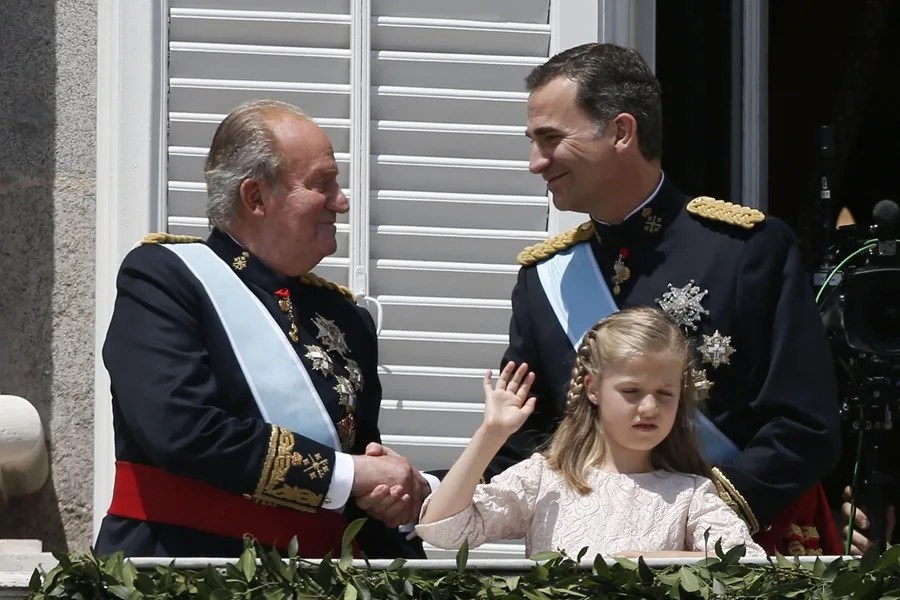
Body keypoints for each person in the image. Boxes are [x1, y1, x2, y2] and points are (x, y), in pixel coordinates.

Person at [488, 43, 843, 555]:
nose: (535, 163)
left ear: (621, 132)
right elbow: (528, 440)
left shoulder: (746, 251)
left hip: (739, 553)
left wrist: (692, 516)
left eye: (550, 140)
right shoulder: (546, 279)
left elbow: (804, 427)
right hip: (598, 565)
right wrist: (428, 489)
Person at [95, 100, 435, 559]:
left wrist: (389, 499)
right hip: (186, 568)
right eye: (323, 184)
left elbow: (359, 464)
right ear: (255, 197)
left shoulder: (345, 318)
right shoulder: (165, 278)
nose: (342, 201)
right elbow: (181, 430)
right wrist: (353, 477)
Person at [417, 308, 765, 558]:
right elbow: (444, 530)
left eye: (665, 394)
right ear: (593, 388)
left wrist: (649, 561)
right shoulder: (545, 480)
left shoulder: (690, 494)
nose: (649, 407)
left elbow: (746, 565)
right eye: (631, 392)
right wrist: (490, 435)